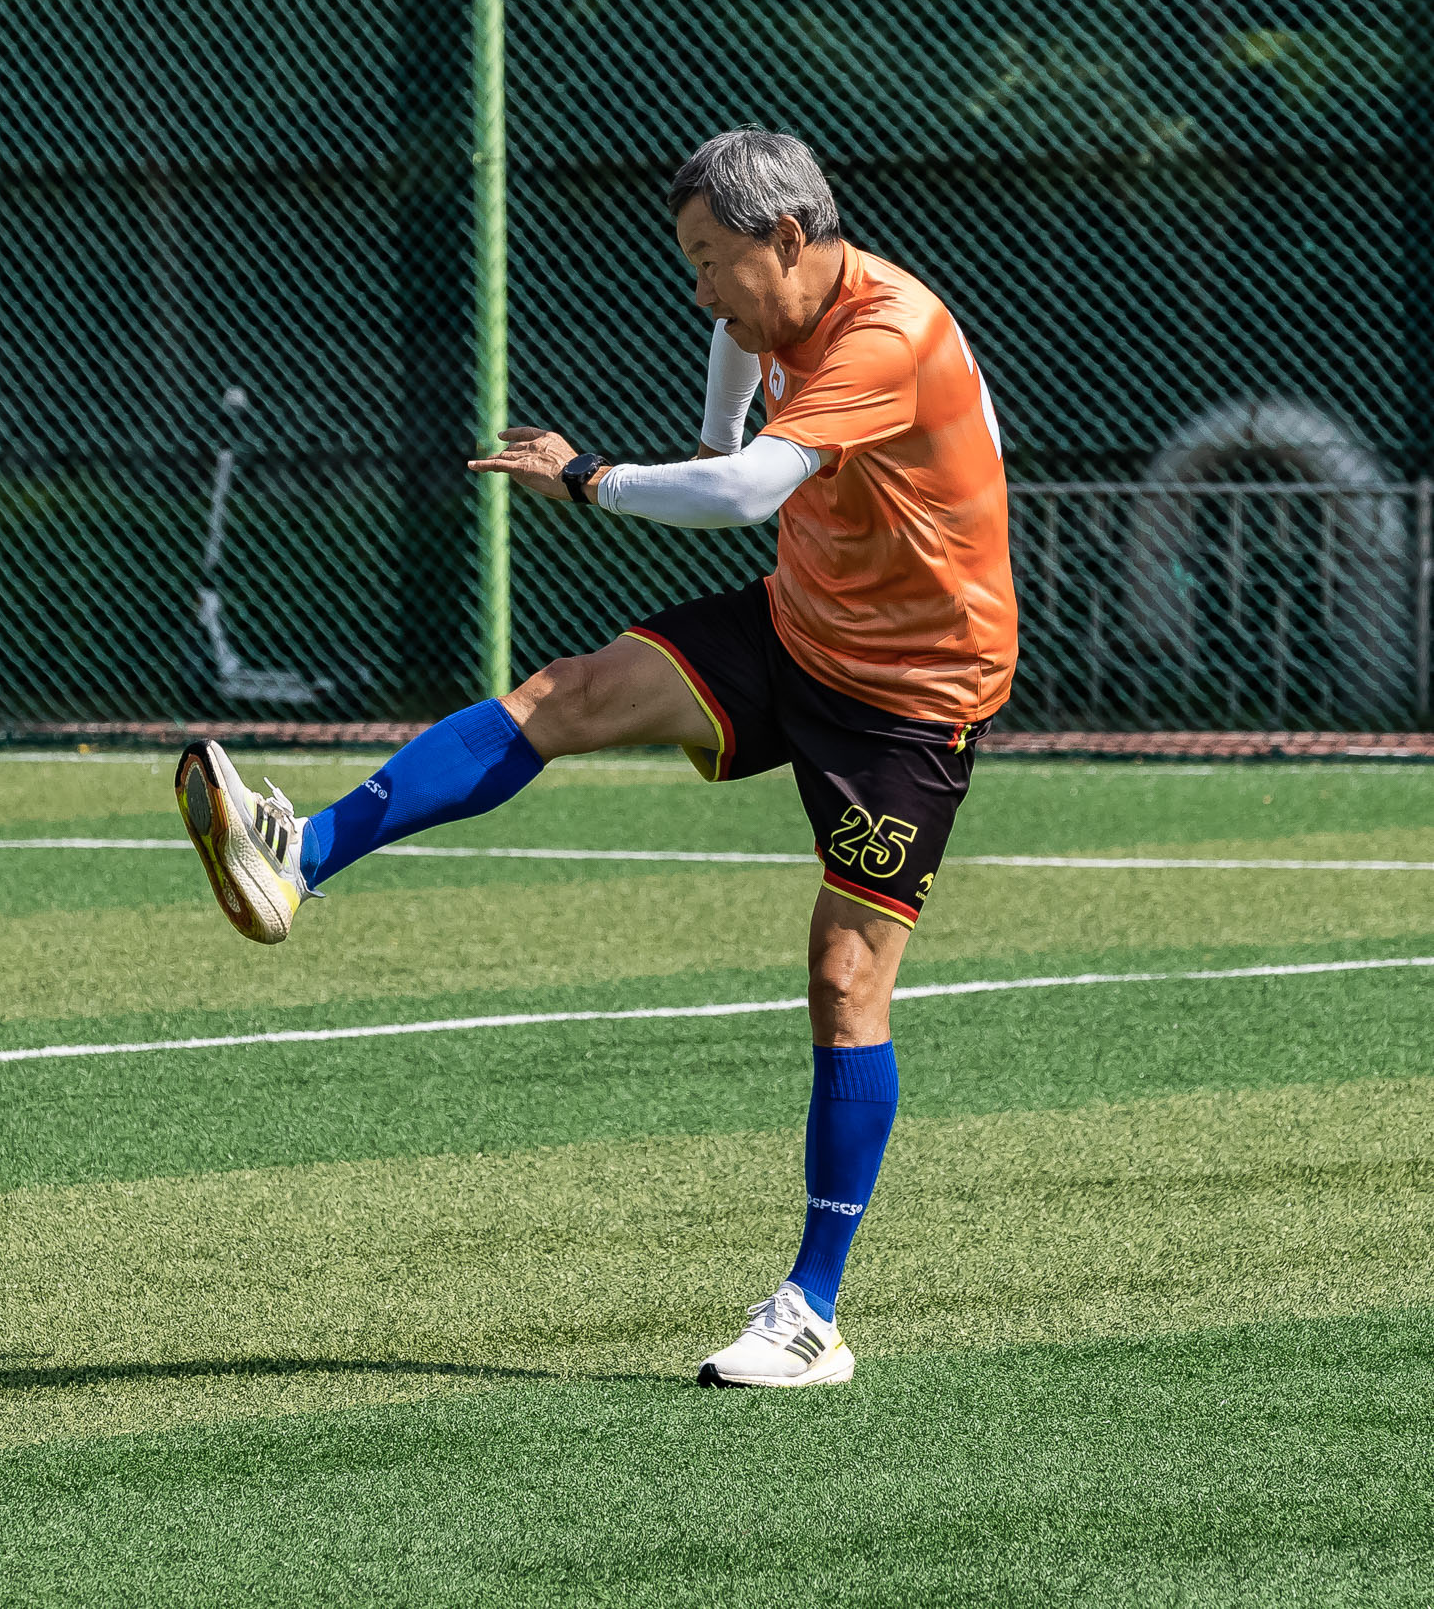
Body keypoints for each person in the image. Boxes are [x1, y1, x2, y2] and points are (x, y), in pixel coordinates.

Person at [175, 129, 1014, 1388]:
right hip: (797, 622)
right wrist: (717, 431)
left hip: (910, 694)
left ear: (789, 238)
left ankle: (810, 1311)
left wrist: (595, 479)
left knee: (844, 978)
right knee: (559, 696)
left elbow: (739, 496)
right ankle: (302, 858)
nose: (699, 289)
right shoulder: (785, 307)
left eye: (711, 260)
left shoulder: (883, 335)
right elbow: (736, 390)